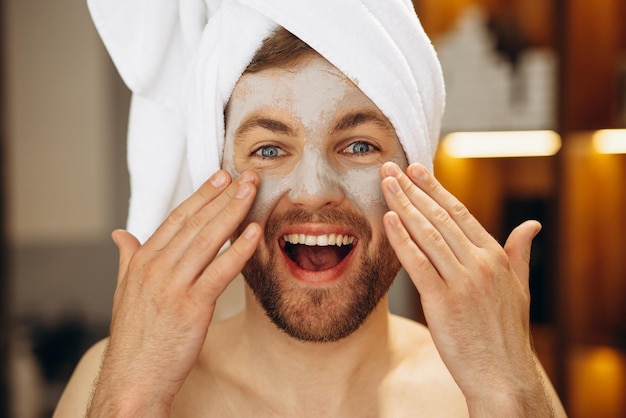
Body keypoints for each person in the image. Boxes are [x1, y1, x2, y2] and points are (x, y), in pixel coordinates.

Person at [55, 1, 567, 416]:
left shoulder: (496, 384)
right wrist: (131, 401)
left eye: (360, 146)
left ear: (419, 177)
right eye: (270, 150)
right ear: (215, 179)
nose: (314, 190)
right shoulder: (117, 379)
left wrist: (507, 395)